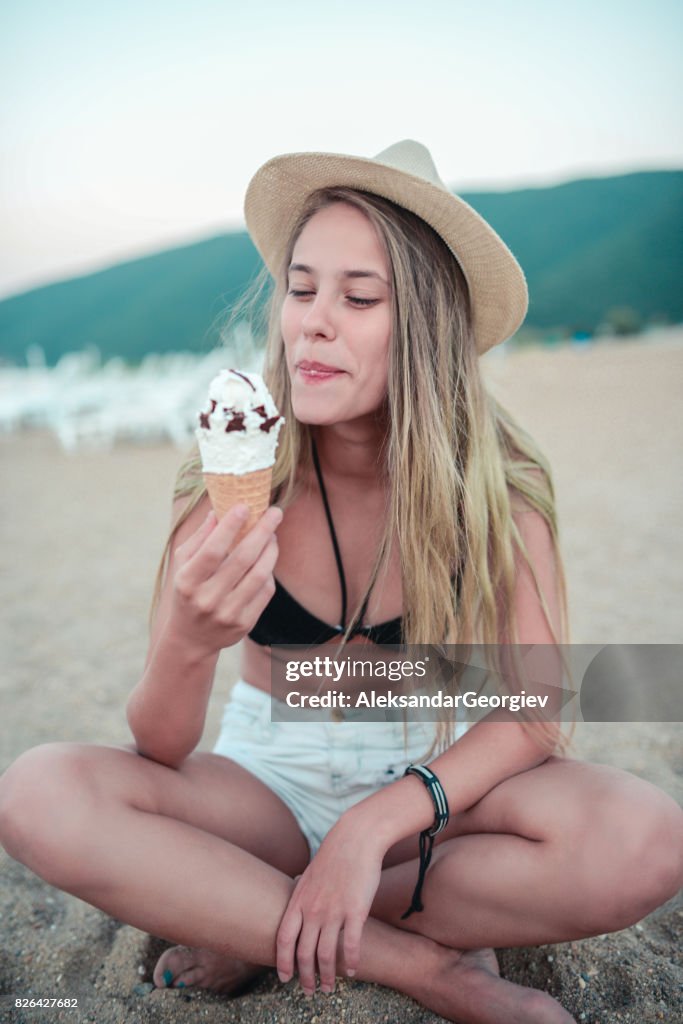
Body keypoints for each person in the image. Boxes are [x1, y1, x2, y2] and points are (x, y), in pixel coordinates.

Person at [0, 140, 681, 1024]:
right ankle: (419, 966)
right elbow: (162, 748)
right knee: (37, 791)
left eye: (359, 297)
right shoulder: (230, 476)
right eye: (300, 287)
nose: (312, 322)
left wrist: (369, 828)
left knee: (647, 839)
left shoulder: (499, 492)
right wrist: (185, 644)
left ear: (428, 324)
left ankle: (249, 914)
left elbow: (537, 711)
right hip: (265, 792)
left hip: (431, 798)